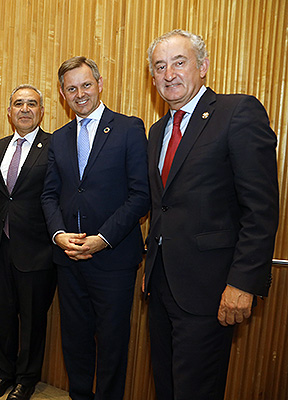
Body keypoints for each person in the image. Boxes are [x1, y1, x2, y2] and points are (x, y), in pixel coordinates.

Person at [144, 29, 279, 400]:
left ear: (203, 66)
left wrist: (243, 283)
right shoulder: (157, 132)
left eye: (179, 62)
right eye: (159, 66)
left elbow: (261, 208)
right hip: (161, 285)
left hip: (211, 289)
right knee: (167, 386)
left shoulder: (237, 112)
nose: (169, 74)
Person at [41, 57, 149, 400]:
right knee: (74, 342)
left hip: (113, 259)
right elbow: (48, 195)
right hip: (69, 260)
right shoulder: (58, 139)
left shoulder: (130, 128)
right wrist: (59, 235)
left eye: (86, 85)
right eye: (71, 88)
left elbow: (140, 195)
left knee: (113, 343)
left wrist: (102, 239)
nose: (80, 93)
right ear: (62, 94)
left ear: (100, 84)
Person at [0, 85, 56, 400]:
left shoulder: (54, 146)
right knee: (2, 317)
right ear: (9, 111)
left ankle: (26, 379)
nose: (25, 109)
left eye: (32, 104)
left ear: (41, 111)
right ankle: (4, 374)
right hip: (1, 248)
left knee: (32, 320)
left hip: (38, 249)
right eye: (18, 104)